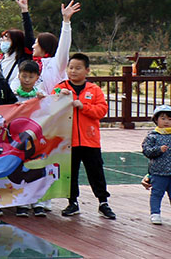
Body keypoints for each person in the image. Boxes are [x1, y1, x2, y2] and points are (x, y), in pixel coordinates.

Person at [54, 53, 115, 219]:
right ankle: (72, 202)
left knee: (96, 171)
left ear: (87, 70)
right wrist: (59, 99)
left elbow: (101, 111)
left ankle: (103, 202)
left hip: (90, 140)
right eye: (71, 67)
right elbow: (51, 108)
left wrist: (83, 107)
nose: (73, 71)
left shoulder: (93, 89)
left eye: (78, 68)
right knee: (70, 172)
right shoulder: (60, 88)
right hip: (68, 140)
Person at [142, 105, 171, 225]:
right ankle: (155, 213)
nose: (166, 122)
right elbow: (147, 151)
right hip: (158, 172)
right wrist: (158, 150)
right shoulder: (153, 136)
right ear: (156, 120)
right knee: (157, 193)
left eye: (169, 119)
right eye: (163, 118)